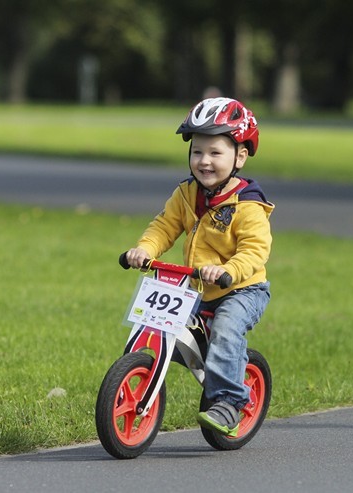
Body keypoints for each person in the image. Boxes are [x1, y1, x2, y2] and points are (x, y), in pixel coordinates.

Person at [125, 97, 273, 436]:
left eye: (215, 153)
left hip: (241, 289)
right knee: (161, 326)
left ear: (240, 156)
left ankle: (231, 402)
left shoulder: (248, 205)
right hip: (196, 287)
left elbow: (254, 251)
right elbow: (164, 226)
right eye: (197, 152)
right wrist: (143, 250)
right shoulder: (186, 193)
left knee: (225, 330)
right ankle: (142, 372)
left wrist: (228, 271)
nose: (204, 161)